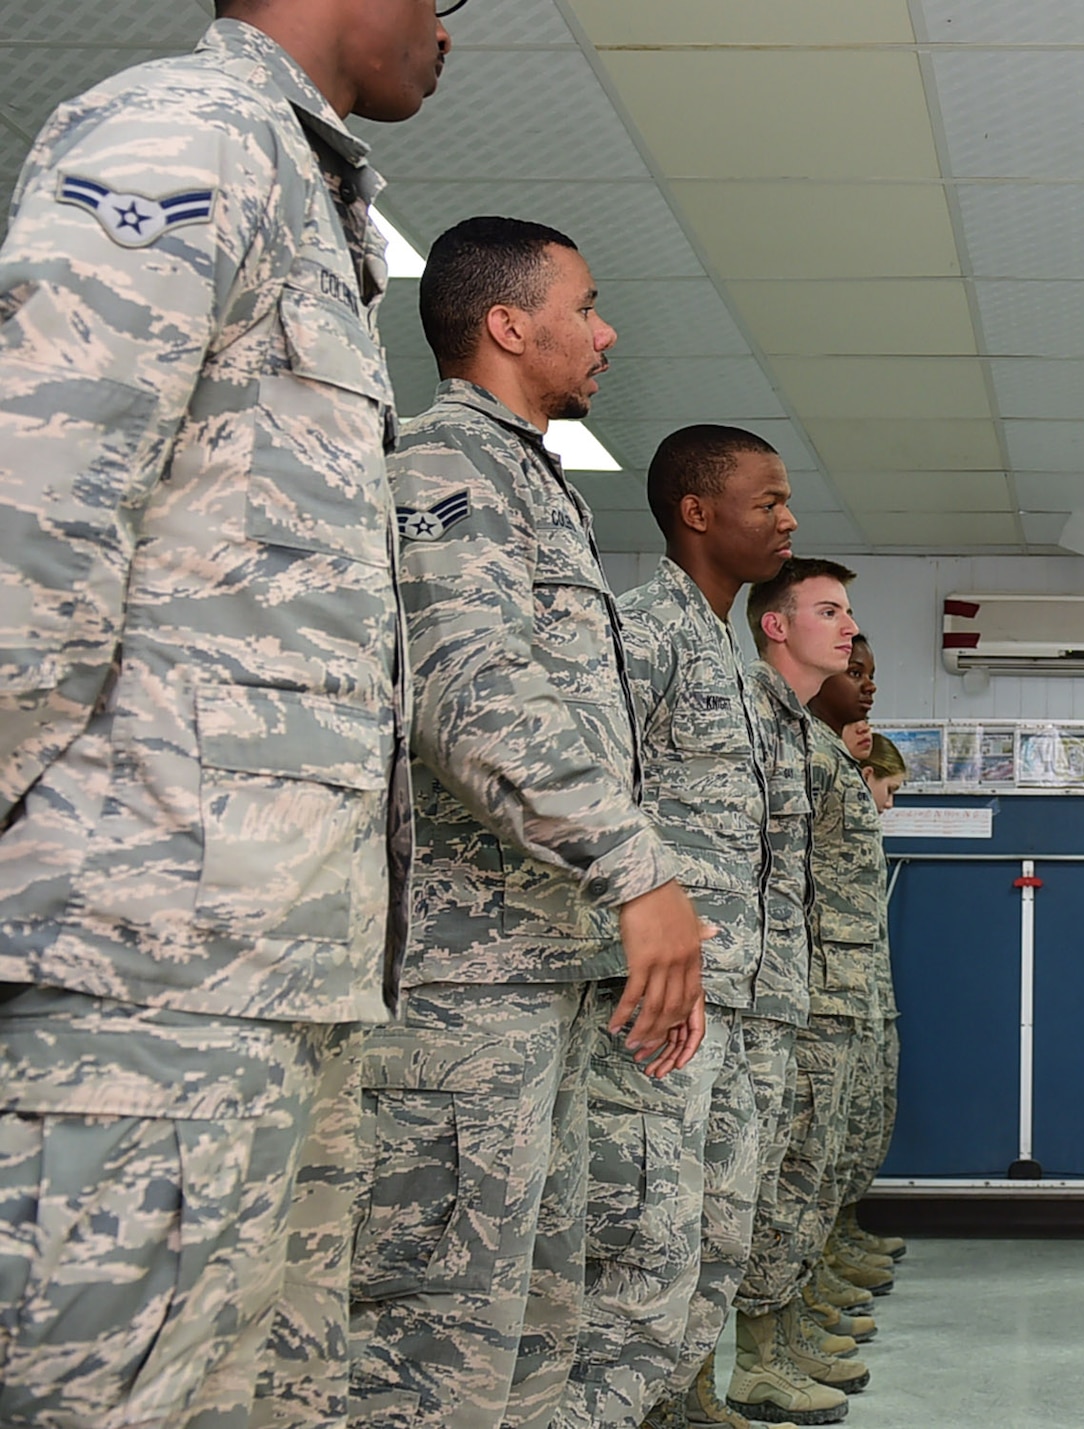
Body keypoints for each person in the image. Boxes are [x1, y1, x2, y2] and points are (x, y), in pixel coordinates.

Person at [0, 2, 449, 1422]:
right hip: (145, 968)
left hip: (277, 974)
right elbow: (34, 512)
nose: (449, 28)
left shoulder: (310, 197)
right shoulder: (183, 134)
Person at [343, 217, 707, 1429]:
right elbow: (470, 692)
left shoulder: (533, 484)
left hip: (535, 977)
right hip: (458, 989)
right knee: (429, 1350)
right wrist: (637, 870)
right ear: (507, 324)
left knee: (534, 1333)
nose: (607, 333)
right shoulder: (445, 465)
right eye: (587, 306)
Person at [563, 425, 798, 1429]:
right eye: (766, 501)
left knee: (716, 1237)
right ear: (697, 513)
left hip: (733, 997)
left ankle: (668, 1409)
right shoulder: (642, 627)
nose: (786, 519)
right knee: (640, 1247)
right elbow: (582, 791)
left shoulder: (730, 661)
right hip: (658, 1001)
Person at [721, 560, 867, 1427]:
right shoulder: (767, 725)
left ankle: (773, 1345)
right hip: (778, 989)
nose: (848, 629)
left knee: (795, 1175)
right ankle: (745, 1364)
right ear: (777, 624)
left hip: (804, 989)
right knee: (761, 1181)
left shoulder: (801, 734)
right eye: (830, 610)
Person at [828, 646, 906, 1276]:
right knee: (810, 1151)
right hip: (814, 998)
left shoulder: (835, 778)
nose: (888, 807)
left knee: (847, 1137)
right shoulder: (808, 765)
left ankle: (829, 1251)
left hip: (854, 994)